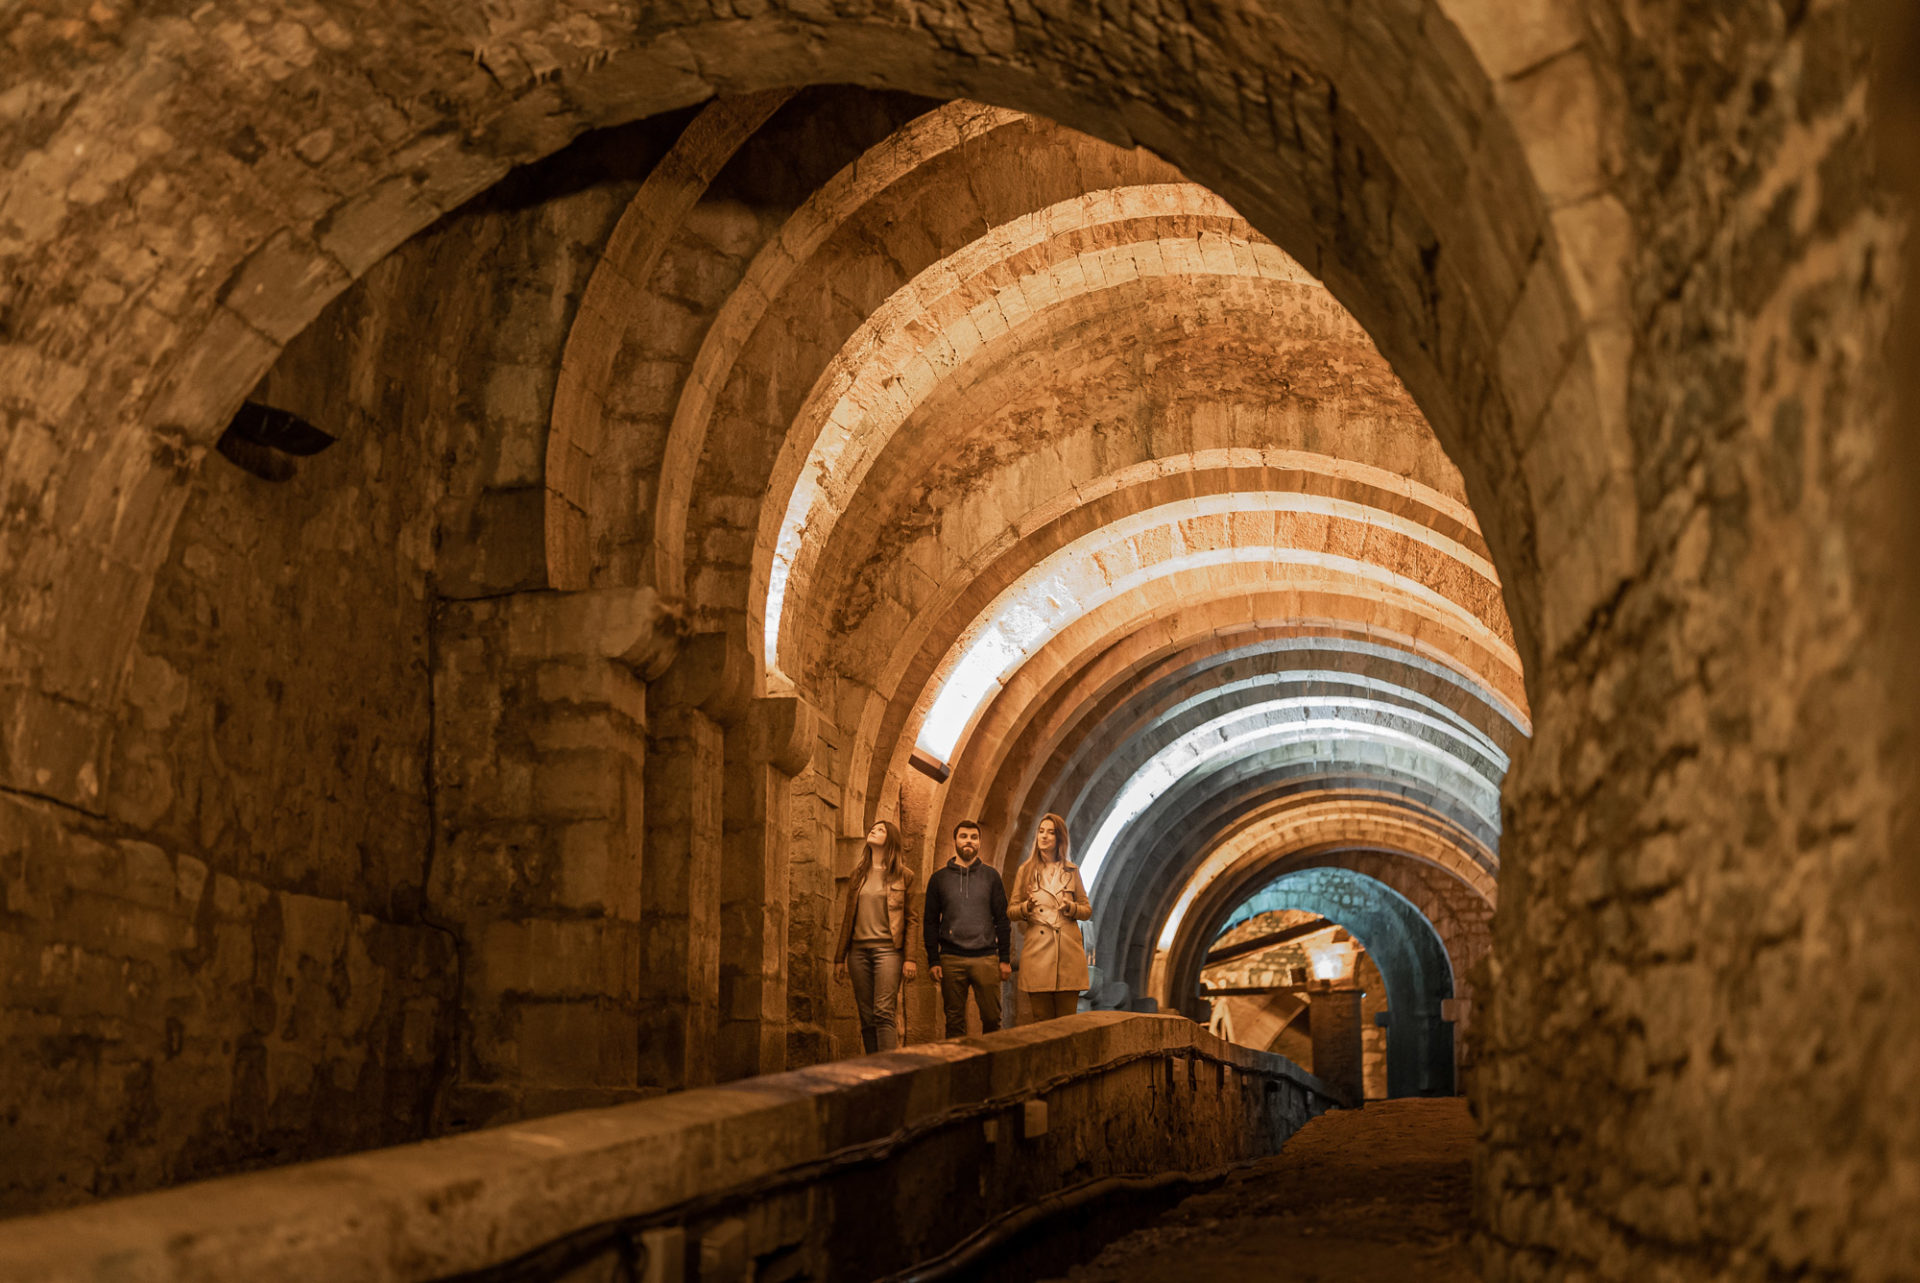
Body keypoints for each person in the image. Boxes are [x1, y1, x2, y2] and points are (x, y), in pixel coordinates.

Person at [832, 819, 920, 1053]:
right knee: (867, 1014)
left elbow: (911, 919)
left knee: (883, 1011)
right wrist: (839, 958)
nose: (875, 830)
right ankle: (872, 1068)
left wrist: (910, 958)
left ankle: (889, 1070)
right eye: (874, 828)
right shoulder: (858, 875)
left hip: (888, 951)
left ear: (890, 840)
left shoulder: (904, 876)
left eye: (881, 830)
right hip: (858, 952)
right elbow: (847, 918)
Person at [924, 819, 1012, 1036]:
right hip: (951, 958)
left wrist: (1004, 959)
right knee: (954, 1021)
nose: (968, 841)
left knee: (992, 1018)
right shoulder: (939, 879)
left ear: (979, 842)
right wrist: (933, 959)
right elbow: (930, 921)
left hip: (986, 957)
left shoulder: (991, 876)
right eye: (963, 836)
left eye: (974, 837)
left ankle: (991, 1067)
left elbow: (1002, 919)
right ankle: (958, 1069)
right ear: (954, 840)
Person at [1008, 812, 1091, 1021]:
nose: (1044, 836)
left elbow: (1086, 909)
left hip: (1067, 951)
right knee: (1041, 1018)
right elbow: (1011, 911)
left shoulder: (1071, 871)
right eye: (1041, 831)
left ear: (1059, 839)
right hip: (1038, 950)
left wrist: (1071, 908)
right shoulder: (1025, 871)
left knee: (1066, 1020)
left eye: (1050, 833)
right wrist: (1026, 907)